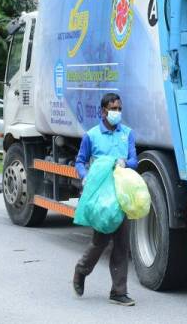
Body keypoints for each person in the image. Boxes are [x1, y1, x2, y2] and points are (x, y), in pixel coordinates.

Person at [72, 93, 138, 306]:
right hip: (102, 195)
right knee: (100, 241)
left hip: (122, 194)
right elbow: (80, 162)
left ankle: (118, 292)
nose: (116, 112)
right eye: (113, 108)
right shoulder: (91, 136)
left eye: (119, 108)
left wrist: (125, 163)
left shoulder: (127, 134)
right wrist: (85, 177)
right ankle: (81, 270)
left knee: (122, 243)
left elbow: (135, 160)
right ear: (102, 111)